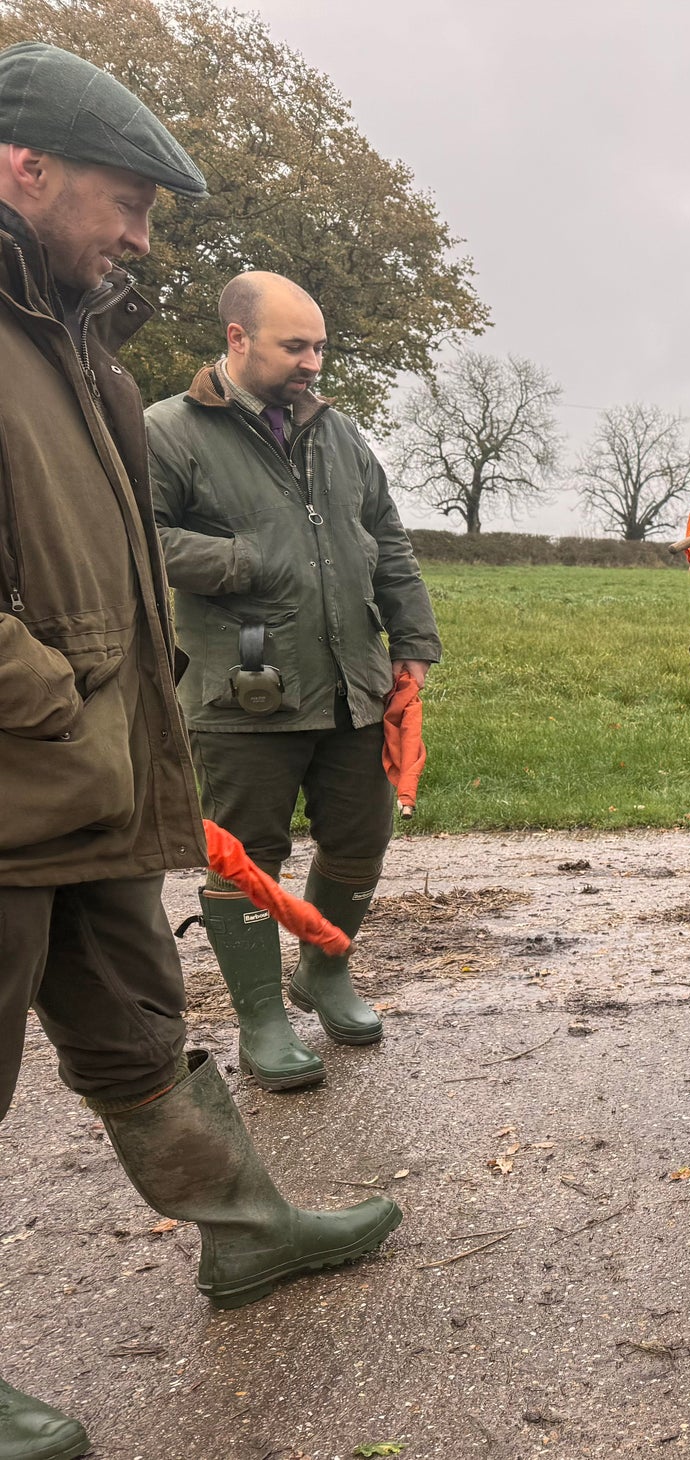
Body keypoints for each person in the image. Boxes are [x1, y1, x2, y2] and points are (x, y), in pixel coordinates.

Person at [0, 43, 399, 1458]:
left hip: (92, 783)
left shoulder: (66, 341)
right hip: (18, 772)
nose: (141, 237)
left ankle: (247, 1232)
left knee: (135, 1031)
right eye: (129, 202)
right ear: (21, 166)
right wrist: (44, 695)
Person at [147, 270, 441, 1090]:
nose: (313, 361)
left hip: (354, 683)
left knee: (360, 837)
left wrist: (411, 639)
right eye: (295, 346)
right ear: (238, 339)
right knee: (248, 857)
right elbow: (136, 537)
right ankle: (262, 1022)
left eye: (319, 345)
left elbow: (387, 537)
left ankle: (323, 972)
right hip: (244, 688)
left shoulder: (338, 434)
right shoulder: (169, 432)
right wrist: (242, 560)